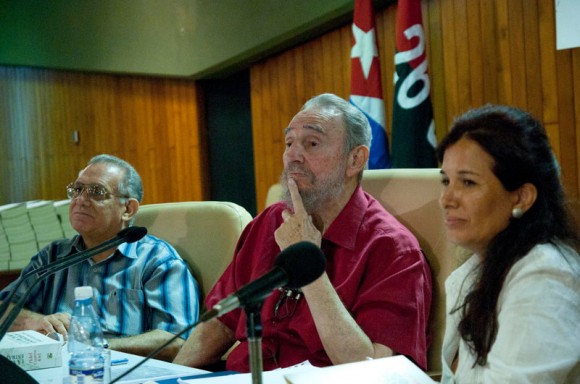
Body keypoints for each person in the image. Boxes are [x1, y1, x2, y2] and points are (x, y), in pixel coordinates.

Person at [173, 93, 432, 371]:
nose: (293, 156)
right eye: (289, 143)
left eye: (312, 143)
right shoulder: (270, 222)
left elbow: (372, 370)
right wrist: (171, 375)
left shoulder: (392, 248)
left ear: (355, 159)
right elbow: (220, 323)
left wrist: (310, 268)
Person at [0, 154, 200, 361]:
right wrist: (35, 322)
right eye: (77, 190)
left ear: (128, 209)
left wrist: (95, 346)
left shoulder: (158, 261)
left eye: (96, 192)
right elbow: (4, 309)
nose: (80, 200)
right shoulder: (53, 256)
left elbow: (177, 341)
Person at [437, 105, 580, 383]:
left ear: (521, 197)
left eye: (467, 182)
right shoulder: (474, 271)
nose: (447, 199)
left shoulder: (546, 276)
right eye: (446, 180)